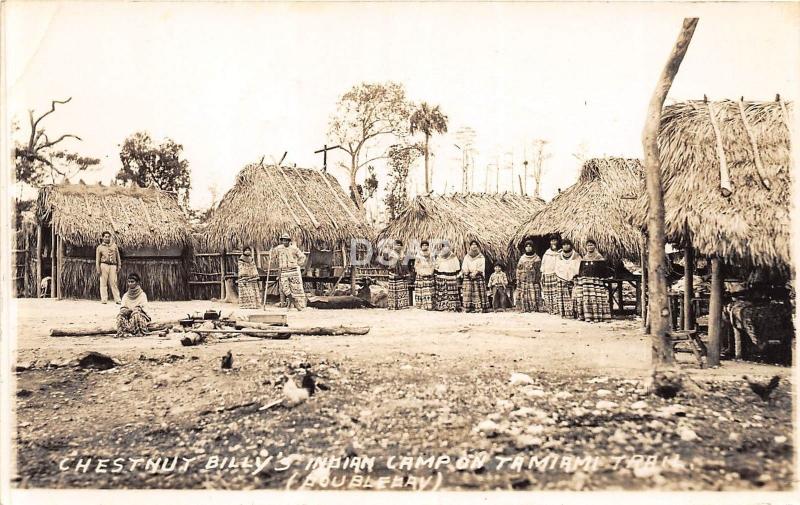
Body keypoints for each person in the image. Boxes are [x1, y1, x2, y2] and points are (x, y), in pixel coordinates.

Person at [573, 239, 612, 322]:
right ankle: (587, 316)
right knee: (586, 299)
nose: (590, 247)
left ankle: (597, 316)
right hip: (586, 283)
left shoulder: (599, 257)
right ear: (586, 247)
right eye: (588, 245)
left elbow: (603, 271)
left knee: (596, 299)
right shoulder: (584, 258)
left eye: (591, 245)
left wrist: (602, 278)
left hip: (596, 282)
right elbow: (581, 270)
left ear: (595, 246)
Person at [274, 233, 307, 310]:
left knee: (296, 288)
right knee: (285, 289)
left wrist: (298, 263)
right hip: (284, 271)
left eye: (286, 240)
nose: (285, 242)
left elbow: (302, 256)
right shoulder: (279, 248)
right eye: (283, 240)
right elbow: (273, 255)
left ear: (289, 241)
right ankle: (294, 302)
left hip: (293, 271)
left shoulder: (294, 248)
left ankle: (298, 305)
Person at [116, 273, 150, 338]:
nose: (130, 283)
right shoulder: (125, 295)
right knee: (120, 316)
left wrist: (136, 310)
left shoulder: (142, 295)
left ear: (137, 283)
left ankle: (138, 331)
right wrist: (126, 310)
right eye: (129, 282)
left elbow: (144, 308)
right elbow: (123, 307)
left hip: (139, 315)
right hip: (128, 315)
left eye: (132, 282)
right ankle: (123, 332)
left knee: (136, 315)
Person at [554, 239, 582, 318]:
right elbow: (557, 267)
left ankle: (574, 313)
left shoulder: (576, 255)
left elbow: (579, 266)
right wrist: (561, 276)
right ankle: (565, 313)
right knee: (563, 296)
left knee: (574, 296)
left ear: (570, 245)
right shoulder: (559, 256)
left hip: (573, 279)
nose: (566, 246)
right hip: (562, 279)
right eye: (564, 245)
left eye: (567, 244)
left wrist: (574, 275)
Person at [461, 240, 488, 313]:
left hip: (477, 276)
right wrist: (466, 271)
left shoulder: (481, 256)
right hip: (468, 276)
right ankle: (468, 308)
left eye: (475, 245)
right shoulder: (467, 256)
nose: (474, 246)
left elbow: (482, 266)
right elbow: (464, 265)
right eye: (472, 245)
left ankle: (478, 308)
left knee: (477, 292)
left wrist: (475, 272)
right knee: (468, 292)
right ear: (470, 246)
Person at [516, 240, 543, 312]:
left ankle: (535, 307)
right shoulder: (522, 258)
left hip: (534, 280)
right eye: (527, 246)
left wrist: (536, 278)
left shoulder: (537, 258)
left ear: (532, 247)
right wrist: (519, 278)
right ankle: (525, 307)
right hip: (524, 279)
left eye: (530, 246)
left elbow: (539, 270)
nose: (528, 248)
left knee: (534, 293)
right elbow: (519, 269)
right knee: (525, 294)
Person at [96, 231, 122, 304]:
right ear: (103, 237)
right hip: (104, 265)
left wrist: (119, 265)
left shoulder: (114, 246)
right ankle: (104, 299)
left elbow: (118, 256)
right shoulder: (100, 247)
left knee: (113, 282)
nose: (107, 238)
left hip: (113, 265)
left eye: (108, 237)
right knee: (103, 283)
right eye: (105, 237)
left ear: (110, 237)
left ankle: (117, 299)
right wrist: (98, 269)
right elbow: (97, 259)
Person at [434, 242, 461, 311]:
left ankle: (452, 306)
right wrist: (436, 272)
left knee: (451, 291)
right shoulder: (439, 256)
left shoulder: (453, 256)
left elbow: (457, 266)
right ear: (442, 248)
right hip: (441, 276)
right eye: (444, 247)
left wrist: (456, 273)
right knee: (442, 291)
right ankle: (442, 306)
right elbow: (436, 265)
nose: (445, 248)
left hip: (451, 276)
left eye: (447, 247)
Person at [385, 239, 410, 310]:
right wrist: (399, 262)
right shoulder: (392, 254)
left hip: (402, 274)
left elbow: (405, 264)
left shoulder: (403, 254)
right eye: (397, 245)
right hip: (394, 273)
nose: (398, 246)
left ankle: (402, 305)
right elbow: (391, 265)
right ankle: (393, 305)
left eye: (400, 245)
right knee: (394, 289)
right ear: (394, 246)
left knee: (402, 288)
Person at [540, 236, 561, 314]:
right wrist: (543, 273)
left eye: (555, 241)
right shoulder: (547, 253)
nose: (553, 242)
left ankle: (556, 309)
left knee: (556, 292)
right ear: (550, 242)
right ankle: (550, 309)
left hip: (556, 274)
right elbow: (543, 264)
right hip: (547, 274)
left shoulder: (560, 253)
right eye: (552, 241)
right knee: (548, 292)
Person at [413, 240, 436, 310]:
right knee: (421, 290)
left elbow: (434, 263)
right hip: (421, 274)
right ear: (421, 247)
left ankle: (429, 305)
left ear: (428, 246)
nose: (425, 246)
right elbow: (416, 265)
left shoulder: (431, 254)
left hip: (429, 274)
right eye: (423, 245)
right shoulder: (418, 255)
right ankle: (421, 305)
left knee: (429, 290)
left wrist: (431, 271)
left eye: (426, 245)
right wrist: (420, 272)